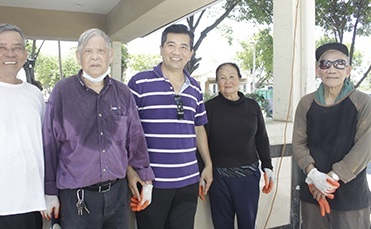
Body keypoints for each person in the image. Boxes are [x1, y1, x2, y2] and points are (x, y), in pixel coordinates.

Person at [41, 28, 155, 228]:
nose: (95, 57)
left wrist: (146, 179)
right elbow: (49, 144)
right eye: (88, 51)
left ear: (110, 55)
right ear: (78, 56)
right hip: (77, 199)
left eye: (101, 51)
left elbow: (135, 140)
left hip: (117, 196)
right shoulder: (62, 92)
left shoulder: (123, 93)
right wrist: (49, 192)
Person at [127, 24, 213, 229]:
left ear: (191, 53)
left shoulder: (195, 87)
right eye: (171, 45)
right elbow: (124, 132)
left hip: (188, 183)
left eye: (184, 47)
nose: (177, 52)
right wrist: (130, 171)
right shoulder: (140, 83)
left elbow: (199, 127)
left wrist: (208, 165)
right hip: (150, 183)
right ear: (161, 48)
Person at [0, 23, 45, 229]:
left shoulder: (35, 95)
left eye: (17, 47)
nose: (10, 53)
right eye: (1, 47)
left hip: (29, 206)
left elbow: (42, 146)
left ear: (24, 54)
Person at [292, 42, 371, 229]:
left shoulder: (362, 102)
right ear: (318, 70)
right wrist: (312, 174)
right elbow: (298, 143)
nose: (332, 69)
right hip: (312, 190)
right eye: (325, 64)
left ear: (349, 70)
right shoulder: (306, 103)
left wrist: (330, 179)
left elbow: (364, 148)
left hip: (350, 194)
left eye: (340, 63)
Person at [204, 62, 273, 229]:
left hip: (247, 177)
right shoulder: (209, 108)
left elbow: (261, 137)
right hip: (218, 177)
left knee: (247, 223)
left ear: (240, 79)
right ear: (217, 82)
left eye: (231, 76)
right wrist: (203, 172)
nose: (227, 81)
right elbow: (201, 143)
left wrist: (267, 166)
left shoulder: (252, 106)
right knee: (221, 225)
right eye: (222, 78)